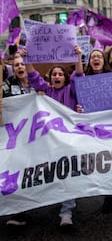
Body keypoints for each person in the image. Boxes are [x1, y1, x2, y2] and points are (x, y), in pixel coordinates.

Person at [21, 45, 84, 227]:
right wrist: (27, 59)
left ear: (65, 78)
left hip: (68, 141)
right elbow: (32, 76)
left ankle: (66, 212)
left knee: (68, 174)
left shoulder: (71, 91)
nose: (57, 76)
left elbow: (79, 76)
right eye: (54, 74)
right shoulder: (45, 91)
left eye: (60, 74)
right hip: (47, 142)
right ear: (49, 77)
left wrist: (78, 57)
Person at [78, 48, 112, 213]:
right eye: (93, 57)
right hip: (94, 127)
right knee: (100, 161)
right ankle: (107, 196)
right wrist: (79, 108)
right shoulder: (84, 81)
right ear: (90, 62)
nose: (96, 59)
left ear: (104, 61)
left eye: (99, 56)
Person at [2, 53, 35, 226]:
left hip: (37, 135)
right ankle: (19, 212)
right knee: (17, 172)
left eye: (23, 64)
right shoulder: (7, 85)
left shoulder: (38, 83)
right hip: (16, 137)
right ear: (12, 69)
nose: (20, 67)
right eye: (16, 65)